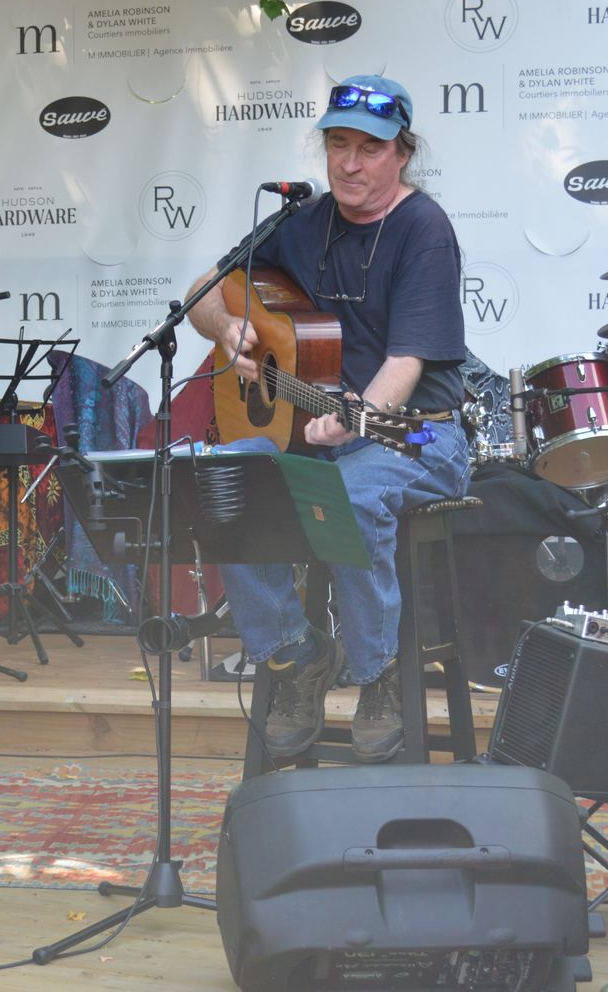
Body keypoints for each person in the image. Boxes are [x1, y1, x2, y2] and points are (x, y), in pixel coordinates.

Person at [185, 74, 471, 763]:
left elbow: (406, 360)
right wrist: (226, 328)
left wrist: (358, 417)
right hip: (317, 430)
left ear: (402, 153)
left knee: (351, 493)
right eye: (338, 144)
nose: (349, 163)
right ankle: (297, 654)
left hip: (416, 430)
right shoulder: (303, 221)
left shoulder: (423, 228)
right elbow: (200, 292)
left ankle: (378, 674)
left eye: (369, 148)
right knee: (224, 477)